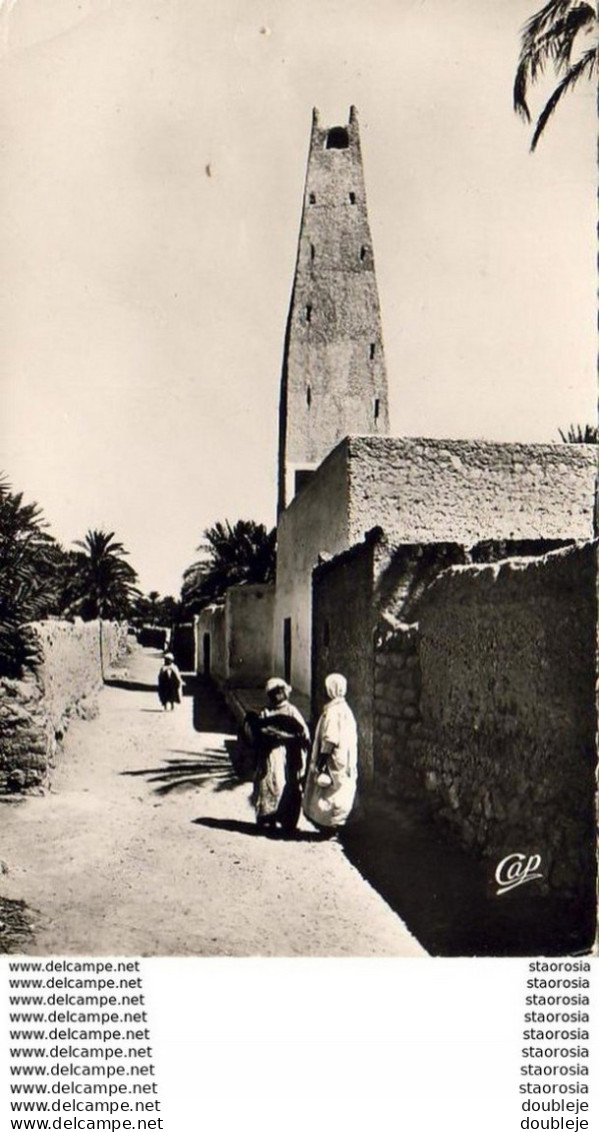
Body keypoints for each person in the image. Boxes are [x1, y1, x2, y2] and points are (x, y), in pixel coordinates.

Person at [247, 677, 310, 835]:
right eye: (274, 693)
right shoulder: (266, 712)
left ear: (285, 692)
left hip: (288, 756)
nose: (277, 695)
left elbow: (303, 733)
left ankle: (287, 821)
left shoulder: (291, 711)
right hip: (269, 755)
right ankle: (268, 819)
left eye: (280, 691)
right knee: (268, 785)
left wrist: (287, 737)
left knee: (287, 786)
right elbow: (257, 732)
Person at [303, 673, 358, 835]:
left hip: (334, 759)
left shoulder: (333, 712)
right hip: (345, 759)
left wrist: (320, 761)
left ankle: (329, 825)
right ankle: (339, 821)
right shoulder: (346, 710)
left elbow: (330, 739)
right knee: (341, 790)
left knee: (328, 792)